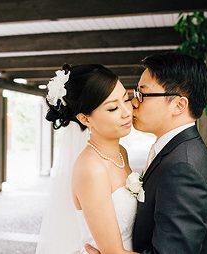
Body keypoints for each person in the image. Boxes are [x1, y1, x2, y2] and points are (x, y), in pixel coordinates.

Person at [86, 53, 207, 254]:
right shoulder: (176, 150)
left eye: (143, 94)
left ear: (179, 105)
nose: (133, 103)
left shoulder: (183, 168)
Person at [36, 64, 139, 254]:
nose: (127, 112)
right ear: (85, 119)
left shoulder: (121, 152)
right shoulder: (91, 168)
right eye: (113, 108)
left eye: (126, 99)